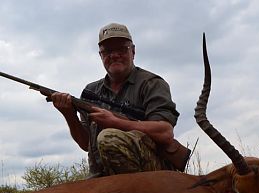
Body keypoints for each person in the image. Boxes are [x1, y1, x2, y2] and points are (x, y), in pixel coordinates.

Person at [50, 23, 185, 177]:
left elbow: (165, 132)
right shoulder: (90, 91)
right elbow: (85, 144)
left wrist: (115, 122)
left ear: (133, 51)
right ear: (100, 55)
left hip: (150, 175)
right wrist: (69, 114)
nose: (114, 55)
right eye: (107, 51)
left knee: (109, 138)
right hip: (101, 177)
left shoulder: (151, 83)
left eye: (121, 49)